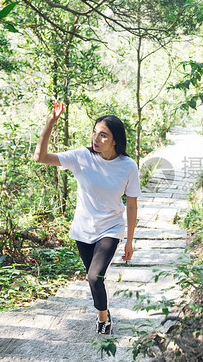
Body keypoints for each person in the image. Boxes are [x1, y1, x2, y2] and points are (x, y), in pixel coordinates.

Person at [33, 101, 141, 335]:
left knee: (94, 277)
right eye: (95, 132)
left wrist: (130, 241)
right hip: (83, 230)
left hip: (111, 229)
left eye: (103, 135)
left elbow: (131, 205)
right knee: (94, 279)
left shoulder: (128, 166)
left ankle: (103, 318)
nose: (96, 138)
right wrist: (50, 122)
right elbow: (40, 157)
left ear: (115, 140)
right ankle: (105, 311)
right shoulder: (82, 157)